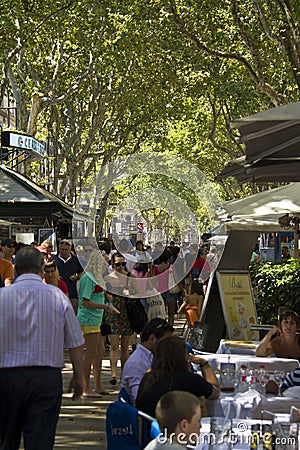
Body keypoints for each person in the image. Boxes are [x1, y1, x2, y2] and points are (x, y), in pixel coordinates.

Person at [0, 247, 84, 450]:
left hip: (7, 379)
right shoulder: (57, 297)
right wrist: (78, 376)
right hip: (45, 379)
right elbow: (75, 342)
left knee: (5, 440)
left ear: (16, 269)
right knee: (41, 441)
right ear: (41, 269)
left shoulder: (2, 297)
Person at [136, 335, 220, 417]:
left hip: (147, 426)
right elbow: (215, 392)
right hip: (173, 428)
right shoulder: (188, 380)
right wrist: (204, 364)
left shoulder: (148, 378)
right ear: (183, 356)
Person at [77, 250, 119, 397]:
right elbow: (85, 301)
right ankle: (85, 388)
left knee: (99, 352)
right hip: (88, 320)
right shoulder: (88, 278)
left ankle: (98, 385)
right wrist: (106, 307)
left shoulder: (97, 277)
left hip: (96, 320)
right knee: (90, 353)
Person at [121, 318, 174, 405]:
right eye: (165, 342)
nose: (168, 345)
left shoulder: (153, 356)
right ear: (152, 339)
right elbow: (139, 399)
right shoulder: (136, 363)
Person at [104, 252, 138, 385]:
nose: (121, 267)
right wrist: (108, 297)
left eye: (123, 264)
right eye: (118, 264)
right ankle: (113, 374)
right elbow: (104, 293)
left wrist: (130, 294)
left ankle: (124, 373)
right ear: (112, 265)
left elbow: (140, 293)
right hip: (113, 312)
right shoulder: (107, 279)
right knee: (114, 345)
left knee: (125, 346)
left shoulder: (130, 277)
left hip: (127, 312)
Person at [52, 239, 84, 314]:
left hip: (72, 294)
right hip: (57, 295)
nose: (64, 251)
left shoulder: (76, 260)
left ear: (70, 249)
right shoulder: (53, 260)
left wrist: (77, 277)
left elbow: (82, 272)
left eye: (66, 250)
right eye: (62, 249)